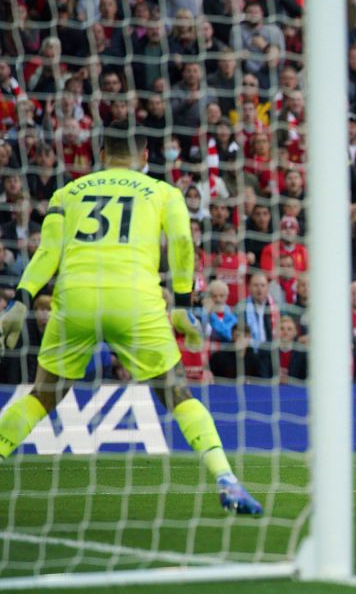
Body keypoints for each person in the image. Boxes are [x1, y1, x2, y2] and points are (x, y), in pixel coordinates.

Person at [0, 125, 261, 515]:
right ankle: (226, 479)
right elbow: (183, 243)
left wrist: (21, 300)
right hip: (135, 300)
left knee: (43, 394)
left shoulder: (68, 192)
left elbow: (48, 251)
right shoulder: (163, 192)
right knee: (177, 395)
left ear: (101, 154)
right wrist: (183, 304)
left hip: (76, 298)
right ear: (145, 156)